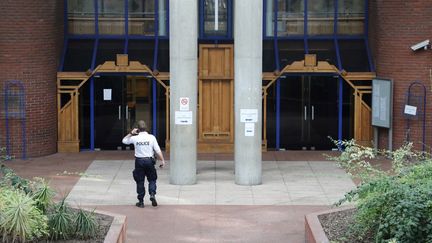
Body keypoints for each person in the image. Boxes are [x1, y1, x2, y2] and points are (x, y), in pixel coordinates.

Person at [122, 120, 165, 208]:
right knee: (152, 179)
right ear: (146, 128)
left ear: (137, 128)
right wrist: (162, 160)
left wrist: (131, 133)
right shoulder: (151, 137)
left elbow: (124, 141)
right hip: (149, 161)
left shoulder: (134, 138)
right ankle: (152, 194)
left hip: (139, 161)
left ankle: (141, 202)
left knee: (140, 181)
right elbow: (157, 150)